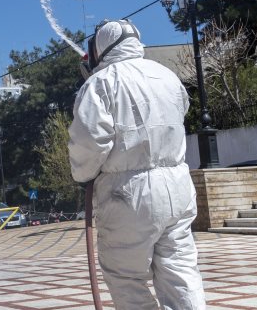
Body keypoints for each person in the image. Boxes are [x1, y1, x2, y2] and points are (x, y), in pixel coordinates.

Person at [68, 20, 206, 310]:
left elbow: (89, 141)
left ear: (101, 47)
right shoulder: (167, 76)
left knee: (126, 278)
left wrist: (83, 172)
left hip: (129, 193)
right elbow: (183, 109)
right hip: (178, 189)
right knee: (180, 273)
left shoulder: (101, 83)